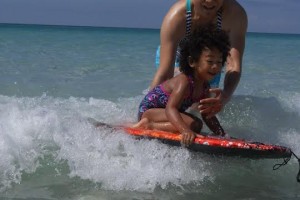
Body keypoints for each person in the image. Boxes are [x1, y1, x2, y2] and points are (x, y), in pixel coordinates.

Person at [133, 25, 230, 146]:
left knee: (196, 124)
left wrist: (221, 134)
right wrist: (185, 131)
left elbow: (206, 114)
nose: (215, 66)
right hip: (150, 112)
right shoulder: (184, 81)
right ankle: (148, 125)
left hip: (165, 114)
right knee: (192, 125)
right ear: (192, 62)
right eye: (210, 62)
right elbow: (171, 108)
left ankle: (155, 125)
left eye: (219, 62)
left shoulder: (204, 86)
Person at [151, 0, 247, 118]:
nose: (210, 1)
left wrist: (225, 96)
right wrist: (148, 111)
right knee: (182, 91)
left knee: (201, 106)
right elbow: (165, 73)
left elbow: (233, 64)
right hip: (177, 56)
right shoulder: (177, 16)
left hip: (211, 60)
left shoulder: (235, 15)